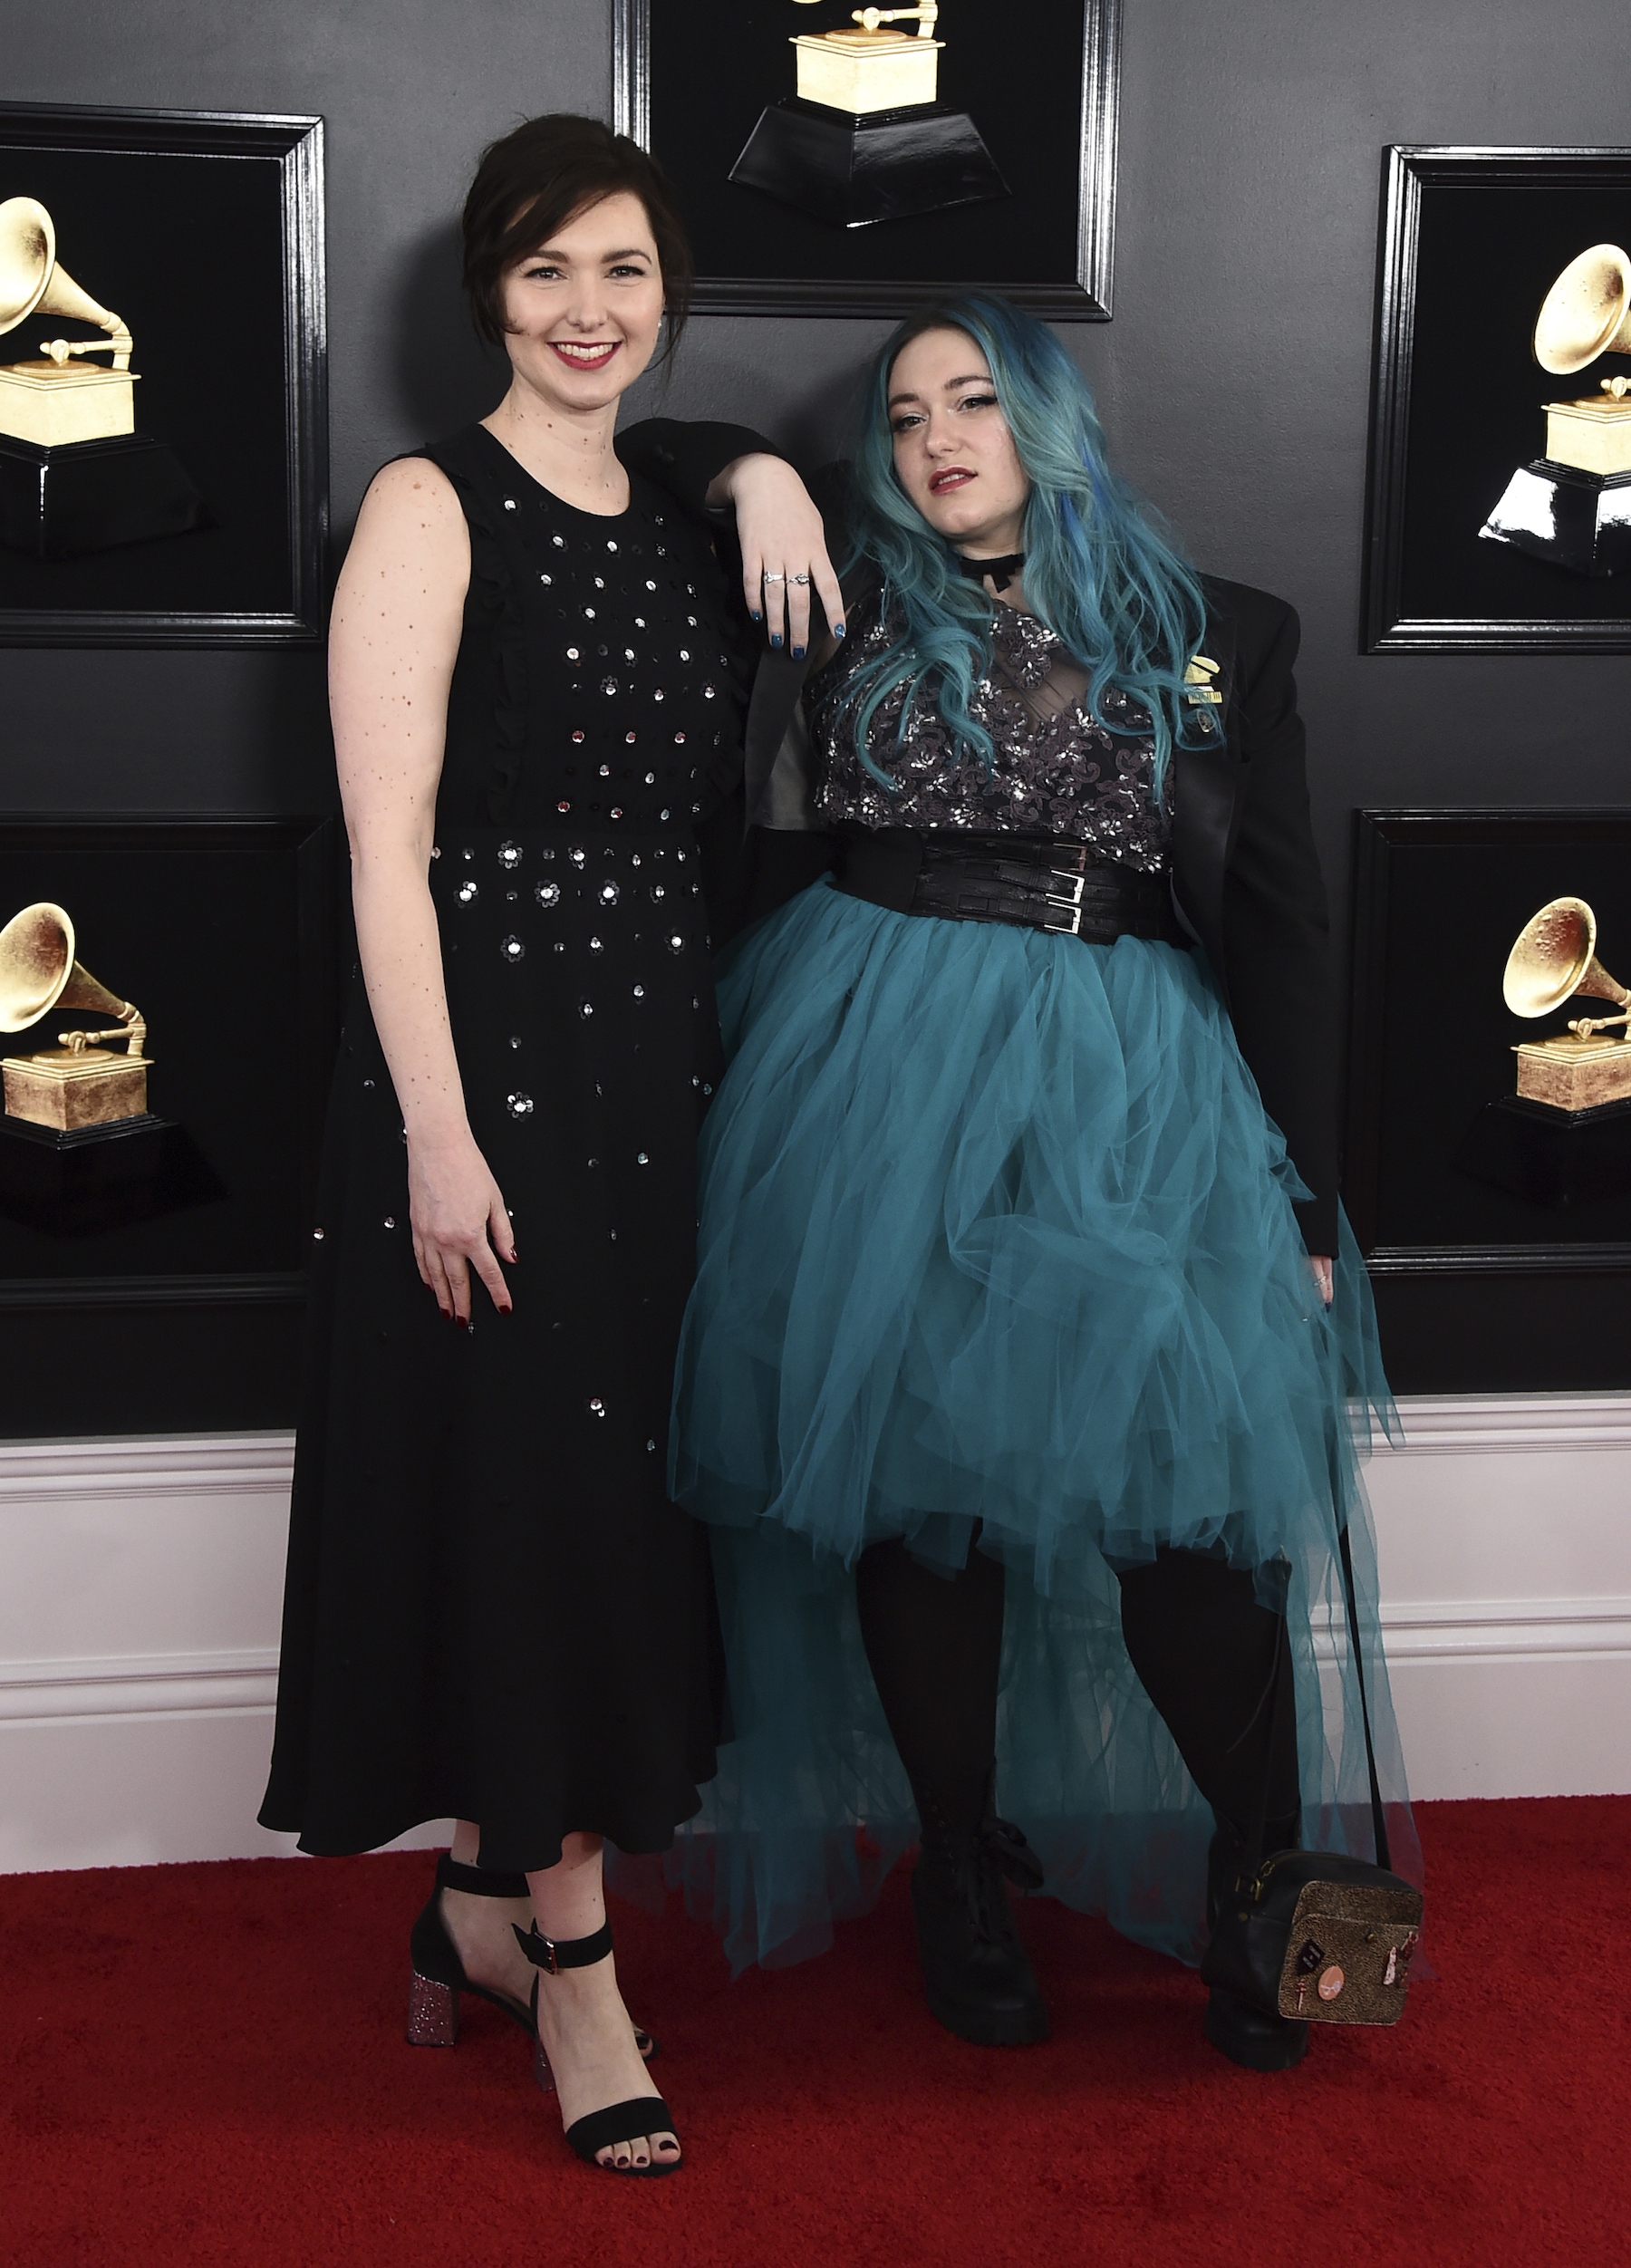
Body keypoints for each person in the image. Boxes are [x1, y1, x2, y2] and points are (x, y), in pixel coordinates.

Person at [662, 294, 1415, 2072]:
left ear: (1047, 420)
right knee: (925, 1497)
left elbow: (1291, 931)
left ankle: (1258, 1877)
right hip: (873, 1082)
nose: (936, 437)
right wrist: (759, 475)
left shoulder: (1222, 630)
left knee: (1187, 1517)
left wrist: (1307, 1207)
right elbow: (632, 446)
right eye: (903, 413)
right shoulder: (829, 607)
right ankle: (961, 1874)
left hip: (1136, 1089)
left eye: (975, 401)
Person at [258, 114, 837, 2175]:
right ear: (487, 296)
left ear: (667, 293)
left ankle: (488, 1905)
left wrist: (759, 459)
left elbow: (757, 498)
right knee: (526, 1486)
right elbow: (384, 848)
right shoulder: (428, 503)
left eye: (625, 274)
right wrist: (433, 1127)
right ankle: (574, 1957)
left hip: (659, 1076)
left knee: (609, 1501)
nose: (589, 314)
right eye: (546, 275)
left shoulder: (695, 515)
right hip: (481, 1066)